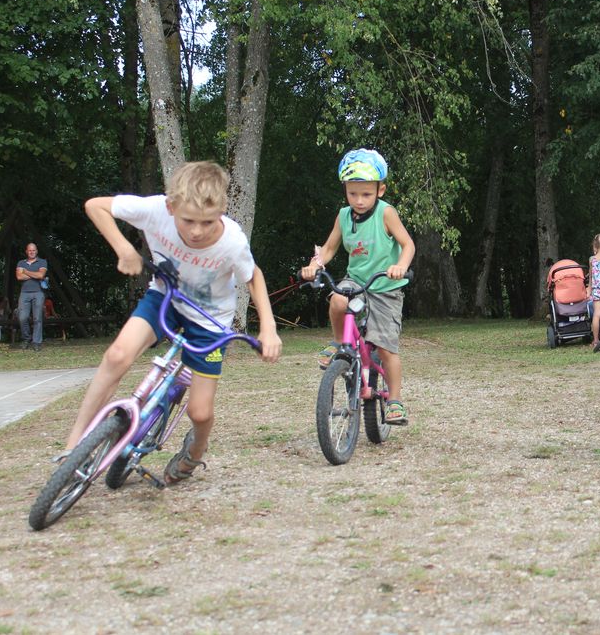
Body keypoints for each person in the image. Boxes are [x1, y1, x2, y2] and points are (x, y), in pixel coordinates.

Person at [62, 161, 282, 484]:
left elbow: (253, 277)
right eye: (188, 220)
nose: (197, 231)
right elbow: (96, 206)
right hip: (165, 298)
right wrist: (124, 248)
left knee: (200, 412)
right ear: (171, 207)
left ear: (222, 211)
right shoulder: (155, 210)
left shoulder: (232, 241)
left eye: (208, 222)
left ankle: (195, 450)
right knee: (117, 356)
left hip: (210, 321)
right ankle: (73, 448)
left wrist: (269, 328)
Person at [300, 149, 415, 425]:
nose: (359, 200)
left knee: (386, 348)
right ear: (345, 191)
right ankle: (339, 343)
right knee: (338, 300)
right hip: (356, 281)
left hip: (385, 286)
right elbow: (329, 248)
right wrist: (315, 264)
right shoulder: (343, 216)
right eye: (353, 194)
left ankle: (395, 400)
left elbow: (408, 244)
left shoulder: (386, 213)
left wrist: (400, 265)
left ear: (380, 190)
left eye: (366, 194)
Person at [16, 243, 48, 351]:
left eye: (33, 250)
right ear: (26, 251)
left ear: (37, 251)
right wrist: (34, 274)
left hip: (38, 292)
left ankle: (36, 342)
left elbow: (41, 275)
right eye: (30, 250)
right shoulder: (21, 262)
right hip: (24, 293)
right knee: (22, 317)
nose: (32, 252)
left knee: (37, 318)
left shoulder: (42, 262)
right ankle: (26, 338)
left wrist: (26, 271)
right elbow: (19, 277)